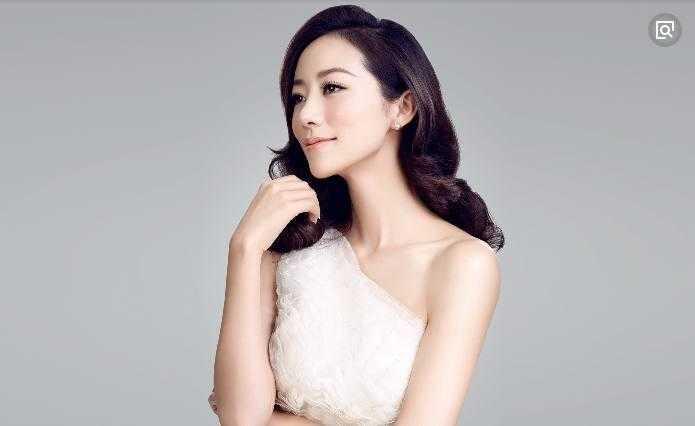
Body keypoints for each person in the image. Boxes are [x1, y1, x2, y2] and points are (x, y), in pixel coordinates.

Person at [210, 5, 504, 425]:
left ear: (402, 108)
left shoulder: (462, 263)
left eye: (332, 87)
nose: (305, 115)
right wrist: (243, 249)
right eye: (298, 97)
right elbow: (240, 419)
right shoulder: (289, 243)